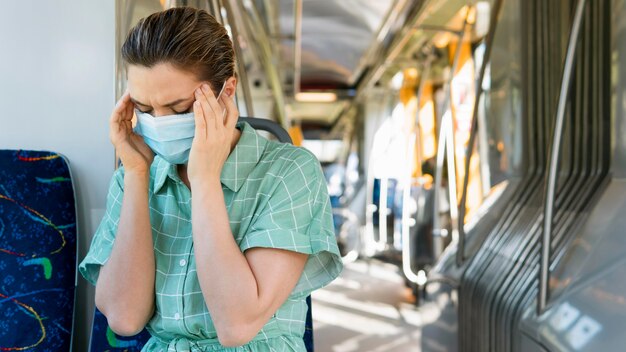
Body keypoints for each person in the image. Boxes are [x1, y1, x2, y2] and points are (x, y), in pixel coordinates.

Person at [79, 7, 342, 351]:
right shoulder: (132, 177)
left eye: (179, 109)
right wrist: (136, 174)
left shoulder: (289, 173)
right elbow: (125, 319)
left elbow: (236, 324)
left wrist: (204, 179)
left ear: (227, 91)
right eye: (144, 109)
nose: (159, 123)